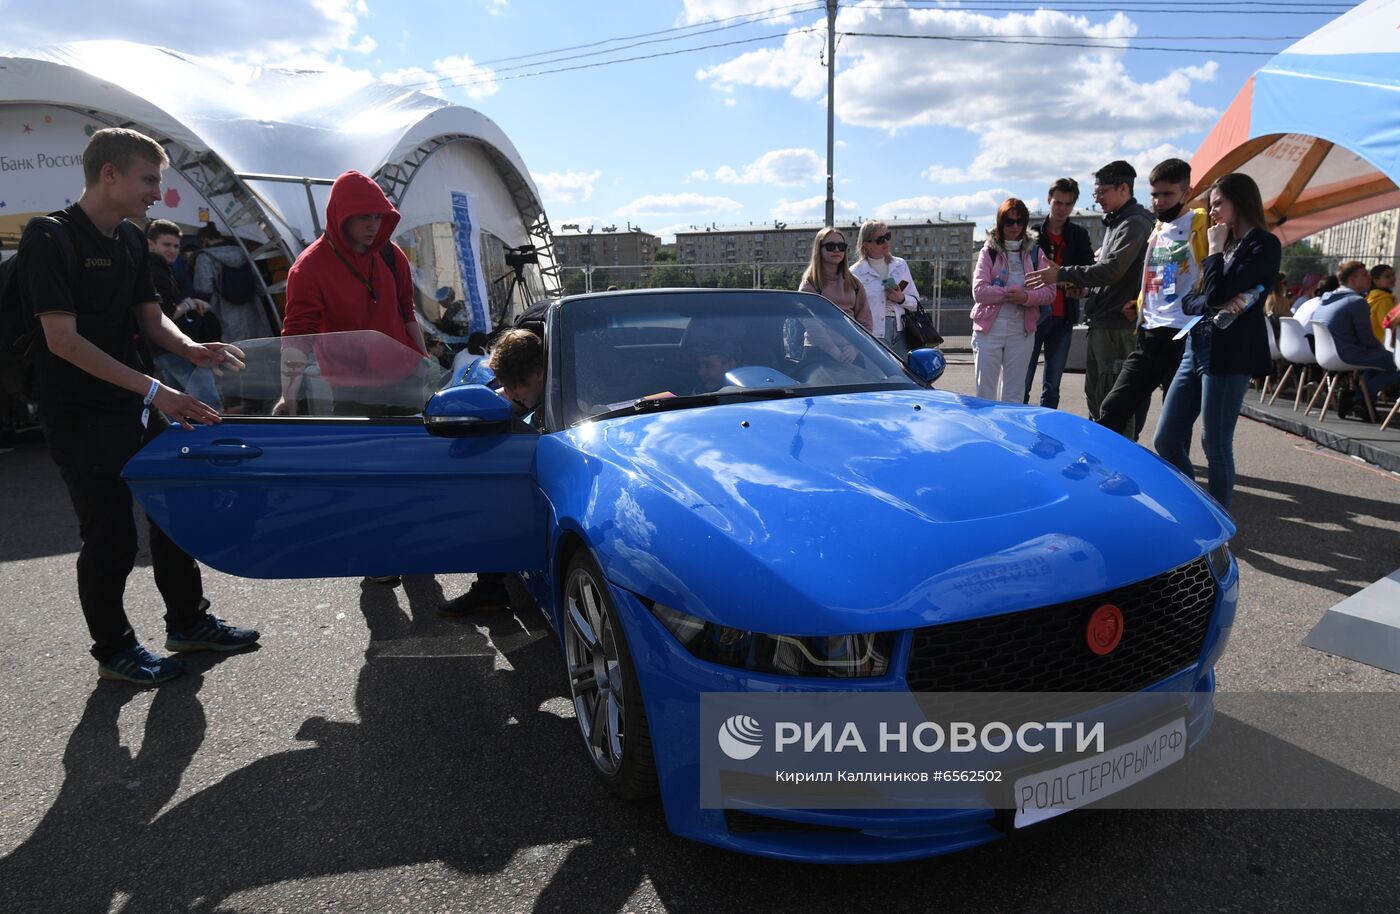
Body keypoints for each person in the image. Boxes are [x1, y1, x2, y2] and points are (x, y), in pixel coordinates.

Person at [16, 128, 257, 685]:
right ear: (110, 174)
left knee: (171, 511)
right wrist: (156, 390)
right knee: (110, 534)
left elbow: (151, 319)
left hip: (133, 402)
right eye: (149, 180)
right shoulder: (48, 237)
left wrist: (191, 348)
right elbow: (63, 341)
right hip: (77, 410)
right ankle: (115, 649)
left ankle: (188, 623)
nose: (158, 193)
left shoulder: (130, 239)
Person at [1153, 172, 1281, 510]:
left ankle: (1217, 520)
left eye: (1219, 203)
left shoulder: (1262, 244)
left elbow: (1216, 292)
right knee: (1166, 439)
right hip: (1196, 346)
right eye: (1212, 205)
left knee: (1216, 443)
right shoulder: (1228, 243)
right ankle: (1199, 504)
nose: (1213, 212)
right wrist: (1214, 295)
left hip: (1230, 353)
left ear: (1241, 201)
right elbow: (1194, 300)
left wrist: (1213, 251)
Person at [274, 170, 428, 418]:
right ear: (341, 216)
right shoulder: (308, 268)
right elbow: (297, 336)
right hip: (353, 392)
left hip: (406, 381)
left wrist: (423, 361)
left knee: (410, 454)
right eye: (363, 217)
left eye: (378, 217)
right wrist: (287, 394)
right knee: (363, 456)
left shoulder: (391, 254)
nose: (373, 226)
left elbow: (406, 309)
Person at [1027, 161, 1154, 422]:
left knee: (1112, 409)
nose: (1097, 199)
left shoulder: (1134, 223)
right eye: (1095, 193)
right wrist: (1087, 293)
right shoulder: (1117, 222)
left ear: (1123, 189)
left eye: (1101, 192)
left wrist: (1060, 273)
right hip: (1101, 321)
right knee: (1099, 402)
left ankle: (1114, 462)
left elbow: (1111, 270)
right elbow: (1108, 275)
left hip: (1114, 325)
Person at [1094, 158, 1209, 440]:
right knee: (1112, 409)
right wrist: (1142, 303)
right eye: (1154, 194)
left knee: (1173, 433)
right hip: (1148, 333)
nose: (1158, 201)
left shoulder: (1202, 224)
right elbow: (1165, 274)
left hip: (1183, 335)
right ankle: (1106, 473)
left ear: (1187, 192)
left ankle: (1177, 480)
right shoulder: (1158, 228)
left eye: (1167, 194)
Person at [439, 328, 545, 617]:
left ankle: (491, 586)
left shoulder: (579, 391)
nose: (509, 394)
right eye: (505, 387)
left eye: (514, 388)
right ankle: (490, 587)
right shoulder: (526, 390)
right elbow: (505, 397)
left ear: (538, 374)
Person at [971, 198, 1053, 402]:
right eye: (1009, 221)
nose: (1015, 226)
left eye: (1020, 221)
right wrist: (1011, 293)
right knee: (985, 394)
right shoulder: (988, 251)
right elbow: (980, 292)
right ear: (1000, 222)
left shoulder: (1036, 253)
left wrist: (1025, 297)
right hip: (989, 331)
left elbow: (1050, 292)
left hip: (1021, 332)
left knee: (1014, 395)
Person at [1025, 178, 1094, 408]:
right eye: (1058, 203)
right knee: (1022, 380)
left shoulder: (1079, 235)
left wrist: (1082, 289)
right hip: (1033, 316)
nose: (1062, 209)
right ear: (1048, 200)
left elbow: (1089, 274)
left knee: (1052, 385)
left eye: (1068, 204)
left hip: (1064, 317)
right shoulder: (1032, 234)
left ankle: (1047, 431)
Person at [146, 219, 223, 410]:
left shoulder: (153, 268)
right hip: (176, 346)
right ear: (150, 244)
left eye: (176, 246)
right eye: (166, 244)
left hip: (162, 348)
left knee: (178, 408)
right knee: (208, 404)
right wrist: (189, 304)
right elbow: (167, 313)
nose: (172, 250)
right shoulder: (155, 269)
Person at [1313, 261, 1400, 418]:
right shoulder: (1356, 301)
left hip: (1325, 356)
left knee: (1377, 360)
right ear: (1353, 280)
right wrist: (1383, 349)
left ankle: (1364, 405)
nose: (1369, 278)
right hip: (1346, 354)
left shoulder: (1325, 300)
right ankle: (1357, 396)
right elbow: (1366, 338)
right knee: (1395, 361)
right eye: (1365, 275)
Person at [798, 226, 871, 364]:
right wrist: (834, 352)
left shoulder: (855, 283)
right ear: (819, 249)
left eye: (841, 246)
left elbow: (866, 322)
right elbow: (811, 324)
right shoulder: (810, 284)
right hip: (818, 352)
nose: (837, 250)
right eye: (830, 246)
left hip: (851, 353)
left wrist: (855, 348)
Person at [192, 222, 273, 346]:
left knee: (235, 348)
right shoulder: (242, 251)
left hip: (223, 310)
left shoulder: (204, 257)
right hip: (251, 307)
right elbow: (258, 281)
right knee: (257, 343)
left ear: (204, 239)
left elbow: (204, 288)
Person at [851, 220, 920, 360]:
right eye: (880, 240)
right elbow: (852, 310)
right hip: (873, 334)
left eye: (887, 236)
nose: (886, 242)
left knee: (903, 376)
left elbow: (916, 302)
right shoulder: (855, 272)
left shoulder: (900, 265)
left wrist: (901, 299)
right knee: (878, 377)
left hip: (901, 332)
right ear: (866, 244)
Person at [1366, 263, 1395, 343]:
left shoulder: (1371, 296)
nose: (1393, 278)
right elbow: (1388, 327)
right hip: (1382, 345)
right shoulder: (1383, 300)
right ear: (1376, 281)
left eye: (1393, 275)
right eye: (1387, 276)